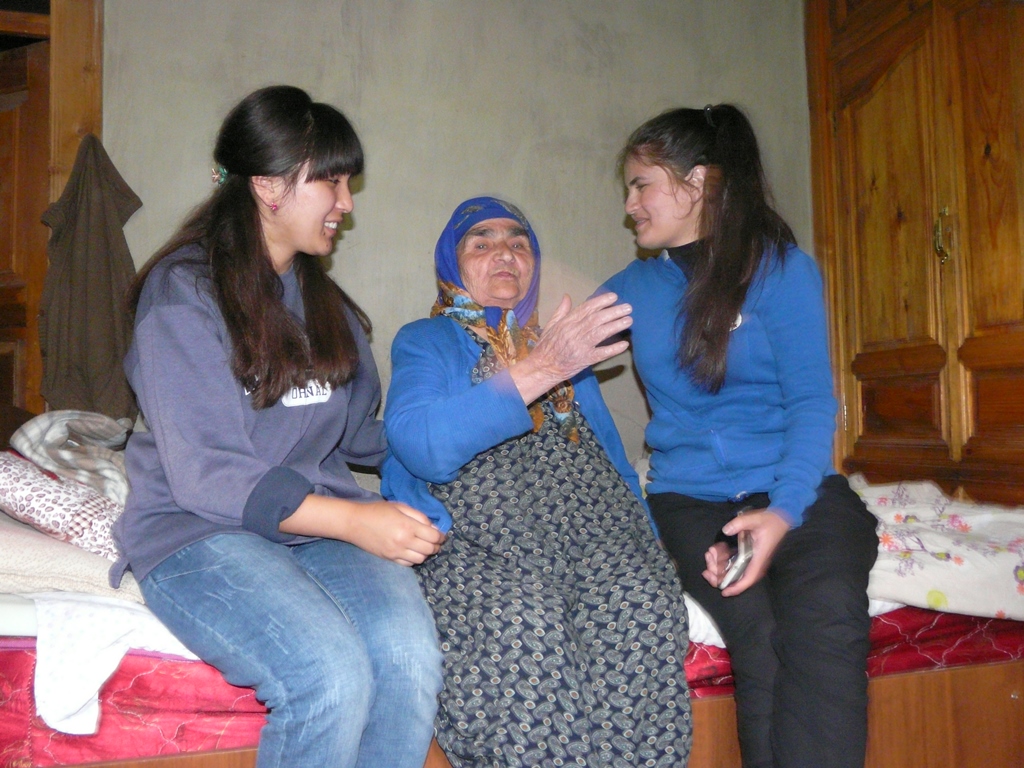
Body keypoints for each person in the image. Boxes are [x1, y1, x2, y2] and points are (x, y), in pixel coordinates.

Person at [109, 85, 445, 768]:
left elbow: (362, 438)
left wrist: (467, 433)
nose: (346, 203)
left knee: (410, 660)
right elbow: (207, 472)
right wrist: (353, 520)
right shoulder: (182, 294)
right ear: (266, 185)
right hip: (198, 531)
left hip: (314, 532)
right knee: (329, 674)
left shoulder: (328, 308)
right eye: (331, 182)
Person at [602, 104, 879, 768]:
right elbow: (550, 364)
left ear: (697, 183)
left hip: (796, 487)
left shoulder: (780, 270)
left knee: (827, 617)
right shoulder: (631, 290)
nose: (630, 205)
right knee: (757, 629)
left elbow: (812, 403)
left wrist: (782, 513)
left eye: (641, 185)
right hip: (691, 501)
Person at [382, 196, 693, 768]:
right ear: (452, 263)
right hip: (486, 543)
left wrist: (652, 541)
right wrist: (543, 367)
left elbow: (613, 462)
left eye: (519, 242)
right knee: (522, 625)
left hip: (593, 532)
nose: (505, 252)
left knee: (645, 605)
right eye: (482, 242)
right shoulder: (427, 341)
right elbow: (421, 446)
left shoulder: (562, 347)